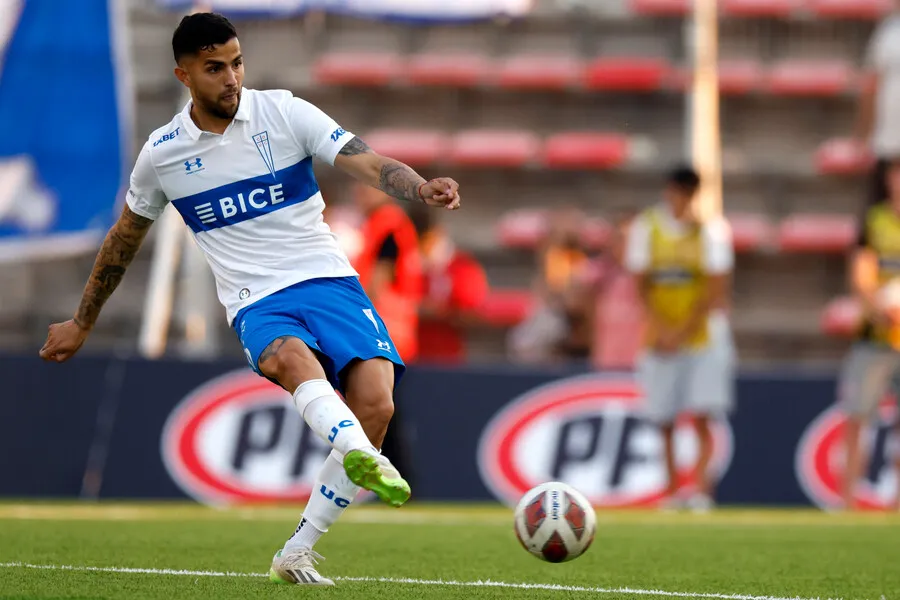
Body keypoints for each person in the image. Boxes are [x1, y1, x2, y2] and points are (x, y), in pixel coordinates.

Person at [37, 13, 461, 586]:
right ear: (183, 75)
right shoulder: (163, 155)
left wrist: (420, 186)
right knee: (290, 359)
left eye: (236, 63)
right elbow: (123, 239)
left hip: (328, 280)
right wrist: (83, 321)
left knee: (378, 403)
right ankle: (358, 451)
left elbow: (370, 162)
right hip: (256, 298)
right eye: (215, 68)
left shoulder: (285, 112)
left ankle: (299, 546)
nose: (231, 78)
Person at [625, 166, 734, 512]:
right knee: (664, 417)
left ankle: (701, 491)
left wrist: (680, 331)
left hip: (703, 337)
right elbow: (640, 284)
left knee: (703, 414)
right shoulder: (647, 227)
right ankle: (672, 492)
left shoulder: (712, 230)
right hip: (660, 337)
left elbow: (716, 290)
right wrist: (663, 329)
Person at [839, 157, 900, 510]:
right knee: (858, 416)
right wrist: (883, 310)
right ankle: (847, 501)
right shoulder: (874, 221)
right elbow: (861, 276)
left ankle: (895, 502)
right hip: (874, 338)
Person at [412, 208, 489, 364]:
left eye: (425, 240)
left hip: (447, 358)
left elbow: (472, 315)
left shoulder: (462, 267)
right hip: (407, 358)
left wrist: (439, 312)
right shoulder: (404, 264)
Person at [856, 1, 900, 207]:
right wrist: (864, 132)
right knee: (878, 210)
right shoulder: (888, 32)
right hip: (889, 139)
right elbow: (872, 85)